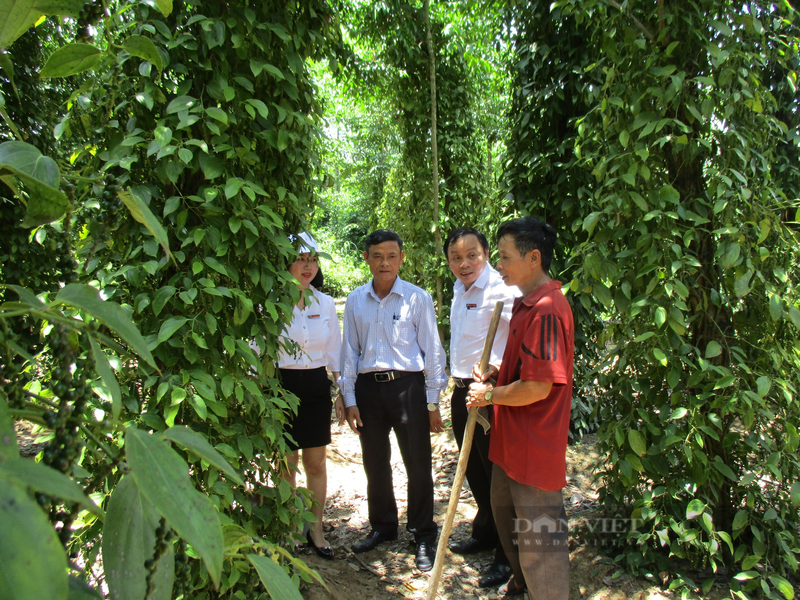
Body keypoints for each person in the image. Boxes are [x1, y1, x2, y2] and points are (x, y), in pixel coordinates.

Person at [466, 217, 573, 599]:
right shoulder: (525, 304)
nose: (499, 265)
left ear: (533, 258)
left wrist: (490, 396)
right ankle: (524, 581)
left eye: (505, 257)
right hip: (511, 442)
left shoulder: (546, 309)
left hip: (533, 446)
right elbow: (527, 369)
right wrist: (498, 371)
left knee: (541, 537)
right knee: (505, 513)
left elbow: (539, 386)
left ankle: (547, 591)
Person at [339, 229, 447, 572]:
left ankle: (423, 534)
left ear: (402, 258)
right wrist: (349, 396)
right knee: (375, 462)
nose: (384, 263)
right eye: (377, 256)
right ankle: (383, 527)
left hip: (409, 388)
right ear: (367, 259)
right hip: (369, 390)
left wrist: (432, 401)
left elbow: (432, 352)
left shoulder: (417, 298)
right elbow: (349, 352)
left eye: (391, 256)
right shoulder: (356, 300)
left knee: (418, 463)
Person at [444, 227, 519, 589]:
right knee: (472, 466)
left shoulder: (502, 290)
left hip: (488, 393)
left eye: (471, 255)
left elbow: (517, 340)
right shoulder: (459, 290)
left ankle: (507, 556)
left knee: (495, 475)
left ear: (486, 254)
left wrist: (496, 374)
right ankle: (486, 532)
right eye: (456, 257)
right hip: (461, 390)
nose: (464, 263)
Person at [279, 232, 344, 559]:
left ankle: (316, 528)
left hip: (316, 387)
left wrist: (343, 393)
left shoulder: (325, 303)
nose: (308, 266)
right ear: (286, 260)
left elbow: (334, 352)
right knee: (286, 462)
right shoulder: (270, 301)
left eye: (313, 260)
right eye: (301, 259)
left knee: (315, 462)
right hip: (280, 386)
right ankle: (291, 526)